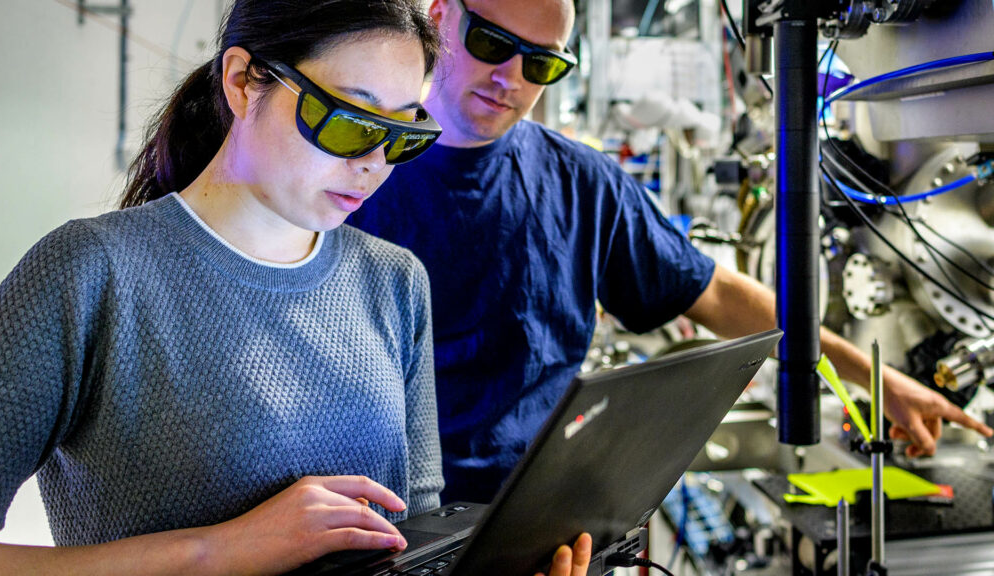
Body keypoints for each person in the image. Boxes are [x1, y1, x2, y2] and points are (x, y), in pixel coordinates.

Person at [0, 1, 590, 574]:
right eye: (350, 122)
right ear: (242, 81)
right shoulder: (90, 274)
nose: (374, 163)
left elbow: (414, 538)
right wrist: (219, 549)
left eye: (401, 135)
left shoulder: (393, 282)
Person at [347, 0, 994, 504]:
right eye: (493, 43)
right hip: (390, 523)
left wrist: (878, 382)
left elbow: (715, 295)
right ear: (438, 18)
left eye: (542, 64)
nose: (511, 78)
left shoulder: (580, 182)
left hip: (537, 521)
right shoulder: (348, 172)